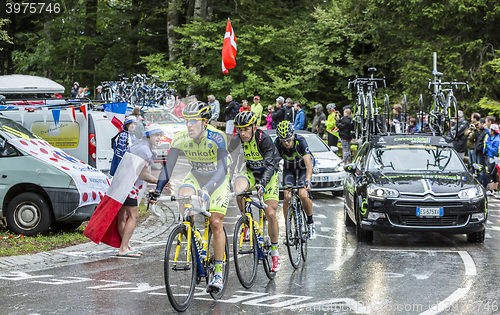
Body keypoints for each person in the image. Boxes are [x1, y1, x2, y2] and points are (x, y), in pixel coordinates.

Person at [151, 101, 230, 292]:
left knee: (216, 222)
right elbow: (168, 167)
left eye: (193, 121)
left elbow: (222, 168)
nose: (188, 125)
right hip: (196, 175)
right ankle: (194, 238)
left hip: (216, 180)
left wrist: (208, 189)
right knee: (184, 199)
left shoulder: (217, 137)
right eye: (186, 120)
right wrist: (157, 191)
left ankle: (218, 271)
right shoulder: (179, 138)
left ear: (205, 122)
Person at [84, 123, 162, 257]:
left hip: (121, 185)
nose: (159, 138)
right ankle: (124, 248)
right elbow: (142, 174)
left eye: (160, 135)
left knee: (122, 216)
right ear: (148, 135)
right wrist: (158, 181)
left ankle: (125, 246)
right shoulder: (145, 150)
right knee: (133, 216)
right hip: (128, 186)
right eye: (156, 135)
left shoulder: (138, 145)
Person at [229, 111, 282, 272]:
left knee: (271, 213)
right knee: (238, 189)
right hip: (251, 173)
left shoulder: (263, 139)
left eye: (246, 129)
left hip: (268, 174)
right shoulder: (236, 140)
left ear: (254, 127)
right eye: (239, 129)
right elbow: (229, 162)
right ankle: (246, 220)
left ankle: (275, 253)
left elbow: (271, 165)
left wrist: (263, 184)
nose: (242, 133)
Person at [275, 121, 316, 240]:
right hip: (289, 169)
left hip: (303, 169)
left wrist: (308, 181)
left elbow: (309, 166)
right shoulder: (277, 143)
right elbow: (274, 163)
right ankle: (288, 230)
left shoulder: (301, 141)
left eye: (288, 139)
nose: (286, 143)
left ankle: (310, 223)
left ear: (293, 135)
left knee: (303, 194)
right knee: (287, 197)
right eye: (283, 140)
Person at [485, 123, 500, 197]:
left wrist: (488, 145)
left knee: (489, 174)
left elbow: (496, 150)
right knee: (493, 174)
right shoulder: (492, 137)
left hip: (494, 159)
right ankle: (494, 190)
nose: (489, 131)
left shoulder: (497, 140)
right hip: (490, 157)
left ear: (493, 131)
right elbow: (487, 131)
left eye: (491, 130)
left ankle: (492, 190)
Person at [476, 117, 488, 188]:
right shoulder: (482, 131)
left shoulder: (486, 132)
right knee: (479, 168)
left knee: (482, 169)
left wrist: (481, 150)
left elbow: (483, 143)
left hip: (481, 152)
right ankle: (481, 181)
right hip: (479, 151)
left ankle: (484, 183)